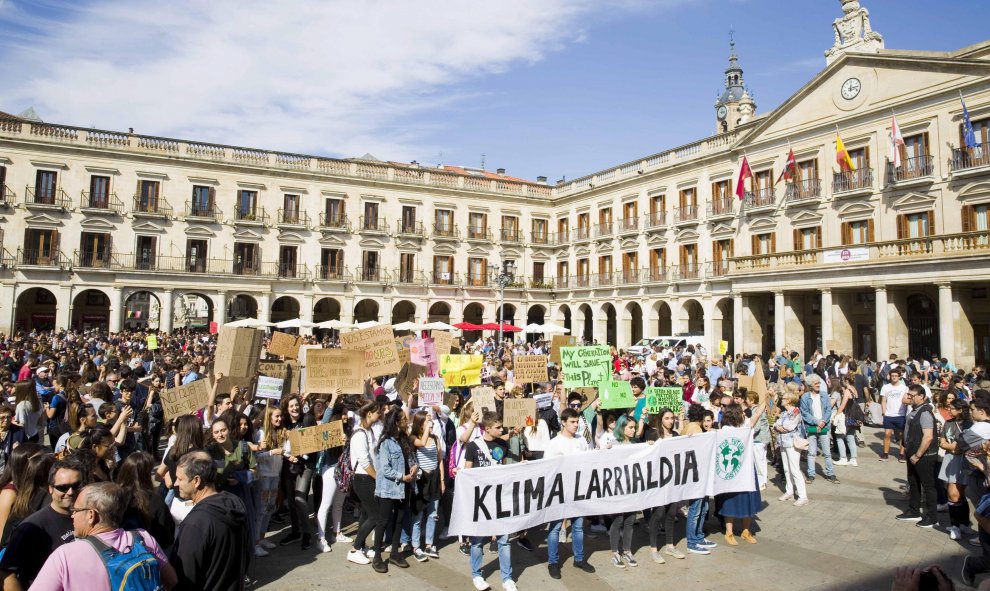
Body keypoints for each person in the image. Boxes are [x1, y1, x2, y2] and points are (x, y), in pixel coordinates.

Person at [31, 481, 177, 591]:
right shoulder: (143, 537)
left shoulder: (65, 555)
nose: (73, 515)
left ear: (91, 515)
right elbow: (171, 580)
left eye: (75, 510)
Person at [170, 450, 250, 591]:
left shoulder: (195, 524)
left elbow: (184, 578)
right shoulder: (235, 503)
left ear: (196, 481)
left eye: (180, 479)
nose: (175, 483)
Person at [0, 456, 84, 589]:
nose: (70, 492)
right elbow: (7, 575)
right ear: (50, 488)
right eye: (62, 487)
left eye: (76, 485)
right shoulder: (31, 528)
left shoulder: (89, 516)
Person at [463, 411, 518, 591]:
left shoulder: (502, 444)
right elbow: (468, 471)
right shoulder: (473, 446)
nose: (501, 429)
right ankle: (477, 575)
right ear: (487, 428)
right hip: (480, 500)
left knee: (504, 539)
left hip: (499, 497)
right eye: (498, 427)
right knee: (478, 539)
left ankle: (507, 578)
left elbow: (502, 466)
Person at [371, 410, 417, 573]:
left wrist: (414, 466)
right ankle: (377, 556)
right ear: (396, 422)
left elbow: (411, 458)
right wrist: (401, 477)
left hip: (404, 488)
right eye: (404, 419)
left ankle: (395, 553)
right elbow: (384, 469)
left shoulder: (404, 439)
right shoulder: (385, 443)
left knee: (399, 520)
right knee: (383, 521)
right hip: (388, 489)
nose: (407, 421)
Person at [716, 403, 762, 545]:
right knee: (731, 499)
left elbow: (757, 414)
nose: (744, 414)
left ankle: (746, 531)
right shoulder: (725, 429)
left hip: (747, 468)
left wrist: (767, 398)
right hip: (732, 469)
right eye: (741, 412)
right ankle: (729, 532)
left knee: (748, 498)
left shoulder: (745, 426)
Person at [646, 407, 686, 564]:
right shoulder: (653, 435)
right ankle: (654, 549)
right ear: (660, 419)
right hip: (658, 481)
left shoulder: (675, 435)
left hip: (672, 480)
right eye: (667, 418)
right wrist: (649, 445)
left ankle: (670, 546)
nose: (670, 421)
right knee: (658, 513)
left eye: (672, 418)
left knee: (671, 513)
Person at [897, 384, 938, 528]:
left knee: (928, 486)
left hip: (923, 456)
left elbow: (928, 437)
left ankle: (932, 517)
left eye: (912, 395)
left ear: (921, 396)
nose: (909, 397)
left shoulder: (925, 412)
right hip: (912, 453)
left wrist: (918, 455)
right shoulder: (915, 409)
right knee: (913, 482)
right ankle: (914, 511)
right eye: (908, 395)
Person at [116, 451, 175, 551]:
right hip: (149, 554)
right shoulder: (156, 501)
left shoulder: (115, 497)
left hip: (119, 553)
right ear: (146, 474)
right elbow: (166, 538)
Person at [347, 402, 382, 566]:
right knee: (376, 515)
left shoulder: (370, 431)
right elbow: (364, 461)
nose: (379, 415)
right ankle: (354, 549)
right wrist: (376, 478)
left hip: (369, 478)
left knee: (367, 514)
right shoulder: (359, 434)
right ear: (369, 414)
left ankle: (360, 545)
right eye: (377, 413)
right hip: (363, 479)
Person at [681, 404, 718, 554]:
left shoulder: (693, 427)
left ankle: (699, 536)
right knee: (696, 509)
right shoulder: (694, 428)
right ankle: (692, 541)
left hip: (701, 475)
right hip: (696, 476)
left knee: (703, 508)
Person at [938, 398, 976, 540]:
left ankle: (959, 525)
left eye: (952, 408)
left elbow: (959, 446)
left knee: (956, 494)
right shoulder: (948, 423)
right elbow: (942, 441)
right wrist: (950, 446)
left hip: (963, 461)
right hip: (949, 459)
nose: (949, 410)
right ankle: (960, 524)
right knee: (954, 493)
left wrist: (952, 446)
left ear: (960, 410)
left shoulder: (969, 425)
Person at [409, 409, 443, 562]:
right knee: (418, 514)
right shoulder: (414, 438)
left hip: (434, 478)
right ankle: (416, 546)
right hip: (421, 479)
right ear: (420, 424)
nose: (430, 424)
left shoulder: (435, 439)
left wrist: (442, 480)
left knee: (433, 513)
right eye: (426, 422)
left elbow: (440, 460)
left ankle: (429, 543)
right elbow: (421, 443)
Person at [608, 414, 640, 568]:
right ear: (622, 428)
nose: (634, 430)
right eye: (631, 427)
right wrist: (604, 451)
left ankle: (627, 550)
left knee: (630, 521)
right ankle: (615, 552)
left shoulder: (636, 444)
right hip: (618, 489)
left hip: (632, 489)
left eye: (635, 427)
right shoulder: (613, 444)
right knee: (618, 520)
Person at [774, 389, 809, 506]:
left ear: (789, 400)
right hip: (783, 442)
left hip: (792, 443)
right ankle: (789, 491)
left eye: (783, 398)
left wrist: (780, 426)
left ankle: (803, 496)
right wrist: (779, 426)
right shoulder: (784, 413)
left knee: (795, 469)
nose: (781, 400)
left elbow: (789, 426)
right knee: (786, 468)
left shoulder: (795, 412)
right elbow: (776, 423)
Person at [800, 374, 837, 484]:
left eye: (819, 383)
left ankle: (830, 474)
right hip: (812, 427)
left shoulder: (824, 395)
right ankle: (811, 474)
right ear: (810, 385)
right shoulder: (805, 397)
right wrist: (817, 422)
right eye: (816, 383)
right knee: (811, 453)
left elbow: (828, 410)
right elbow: (805, 413)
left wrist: (823, 422)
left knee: (827, 452)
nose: (818, 385)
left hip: (824, 427)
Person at [880, 369, 909, 461]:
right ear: (889, 376)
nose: (894, 377)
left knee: (901, 435)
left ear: (899, 377)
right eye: (892, 375)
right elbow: (883, 401)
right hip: (889, 414)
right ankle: (885, 454)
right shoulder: (885, 387)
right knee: (887, 434)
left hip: (900, 414)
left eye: (896, 375)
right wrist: (884, 412)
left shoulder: (904, 388)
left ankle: (901, 454)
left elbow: (906, 400)